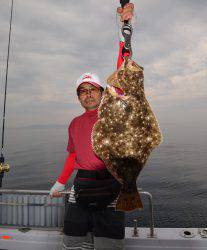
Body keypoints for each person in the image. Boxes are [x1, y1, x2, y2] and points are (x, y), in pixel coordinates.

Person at [49, 3, 135, 250]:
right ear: (78, 97)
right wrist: (60, 182)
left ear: (102, 92)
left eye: (92, 90)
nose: (87, 94)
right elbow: (73, 155)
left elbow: (123, 68)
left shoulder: (113, 108)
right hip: (80, 188)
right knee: (74, 243)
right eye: (82, 91)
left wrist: (125, 30)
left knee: (109, 245)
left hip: (111, 185)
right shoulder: (74, 123)